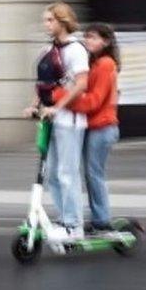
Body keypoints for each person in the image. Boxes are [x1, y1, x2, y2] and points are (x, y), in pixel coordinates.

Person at [23, 2, 89, 241]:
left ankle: (74, 226)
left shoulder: (75, 50)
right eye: (45, 20)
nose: (46, 24)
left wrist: (57, 107)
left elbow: (81, 84)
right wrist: (34, 105)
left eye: (50, 20)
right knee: (50, 174)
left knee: (66, 173)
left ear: (62, 22)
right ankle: (64, 220)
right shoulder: (46, 50)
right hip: (50, 118)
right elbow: (42, 85)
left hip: (70, 119)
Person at [52, 23, 120, 234]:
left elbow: (92, 102)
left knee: (93, 174)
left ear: (106, 41)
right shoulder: (95, 63)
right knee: (87, 173)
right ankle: (95, 217)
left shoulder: (106, 64)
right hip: (92, 127)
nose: (88, 41)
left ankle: (101, 220)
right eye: (87, 37)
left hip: (102, 128)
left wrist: (60, 97)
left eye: (93, 37)